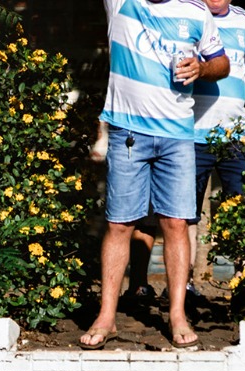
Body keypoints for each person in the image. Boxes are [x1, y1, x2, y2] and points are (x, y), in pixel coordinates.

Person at [80, 0, 228, 352]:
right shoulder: (123, 3)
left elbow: (222, 63)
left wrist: (201, 68)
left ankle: (177, 315)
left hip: (177, 134)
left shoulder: (196, 11)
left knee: (176, 223)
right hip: (128, 132)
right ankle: (106, 316)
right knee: (119, 225)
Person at [191, 0, 245, 282]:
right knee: (184, 216)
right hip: (190, 133)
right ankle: (184, 287)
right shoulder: (188, 14)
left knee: (244, 210)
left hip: (236, 134)